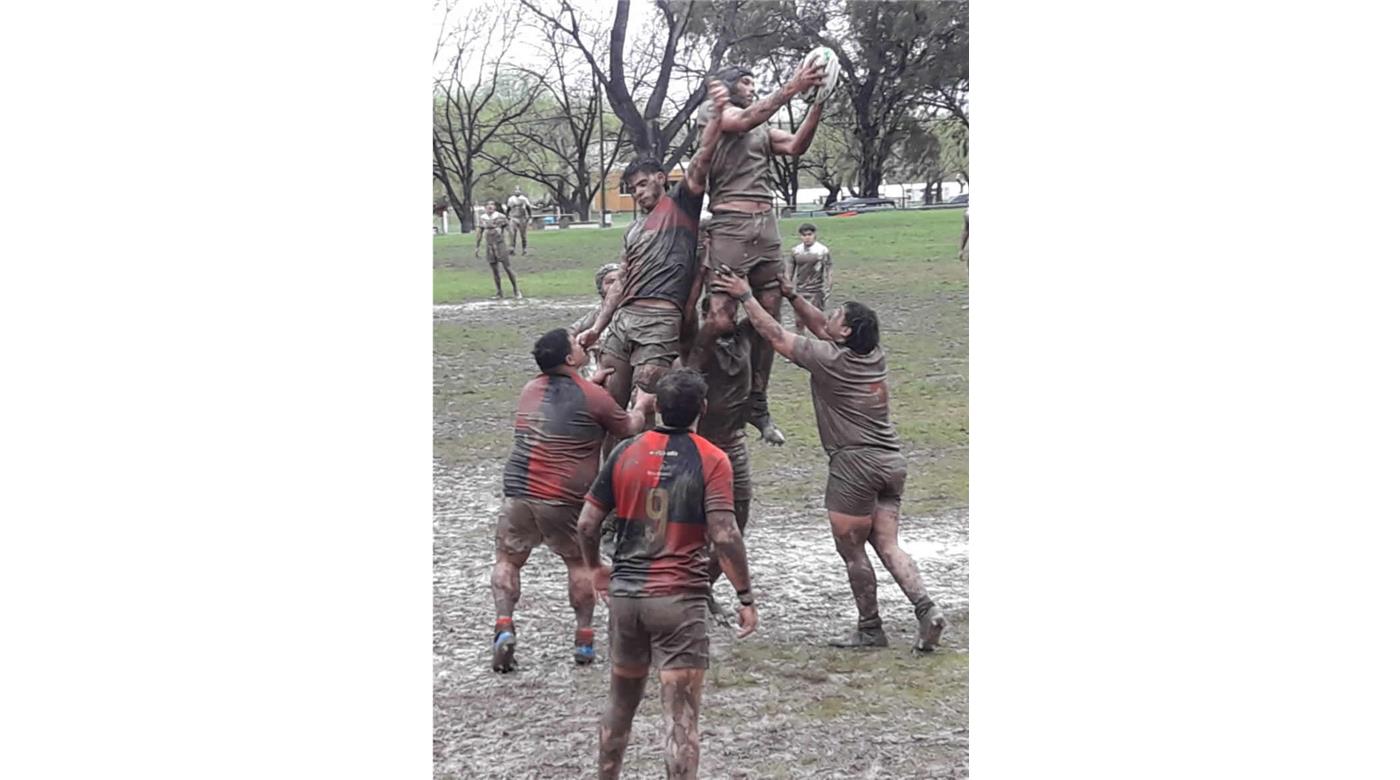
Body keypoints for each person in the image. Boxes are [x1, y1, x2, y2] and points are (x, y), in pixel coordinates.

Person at [711, 270, 947, 651]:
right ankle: (926, 608)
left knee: (853, 551)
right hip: (891, 463)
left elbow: (774, 336)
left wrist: (745, 296)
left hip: (854, 466)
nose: (829, 317)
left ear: (847, 333)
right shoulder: (873, 356)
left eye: (836, 314)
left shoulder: (829, 361)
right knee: (888, 545)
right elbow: (821, 327)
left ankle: (870, 627)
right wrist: (792, 296)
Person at [577, 368, 757, 780]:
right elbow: (726, 534)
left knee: (619, 704)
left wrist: (596, 570)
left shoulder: (626, 451)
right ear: (703, 409)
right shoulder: (712, 459)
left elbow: (587, 524)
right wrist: (745, 596)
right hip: (678, 601)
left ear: (656, 406)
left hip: (626, 597)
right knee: (680, 719)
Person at [490, 329, 655, 672]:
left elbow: (564, 402)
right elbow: (628, 428)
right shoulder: (592, 397)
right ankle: (584, 640)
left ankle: (504, 626)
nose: (584, 344)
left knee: (508, 559)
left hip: (518, 490)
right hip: (562, 497)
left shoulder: (529, 390)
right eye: (579, 345)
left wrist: (590, 385)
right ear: (569, 360)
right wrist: (642, 402)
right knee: (578, 563)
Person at [575, 80, 728, 438]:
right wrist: (599, 325)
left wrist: (717, 116)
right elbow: (621, 282)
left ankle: (648, 475)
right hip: (624, 318)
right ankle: (611, 483)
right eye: (633, 189)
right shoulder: (632, 230)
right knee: (611, 407)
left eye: (644, 183)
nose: (639, 193)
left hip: (660, 319)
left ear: (661, 178)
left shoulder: (680, 207)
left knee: (647, 404)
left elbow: (702, 160)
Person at [690, 60, 828, 448]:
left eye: (755, 82)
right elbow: (741, 121)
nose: (752, 87)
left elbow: (797, 145)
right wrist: (794, 86)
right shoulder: (714, 112)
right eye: (746, 82)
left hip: (766, 225)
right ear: (731, 87)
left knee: (768, 313)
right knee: (720, 318)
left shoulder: (763, 126)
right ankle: (693, 373)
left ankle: (758, 402)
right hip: (730, 224)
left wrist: (817, 103)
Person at [691, 295, 754, 621]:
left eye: (734, 309)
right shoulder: (698, 344)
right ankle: (694, 591)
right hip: (700, 447)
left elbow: (766, 317)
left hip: (734, 443)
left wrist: (746, 293)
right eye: (721, 309)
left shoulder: (744, 337)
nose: (730, 315)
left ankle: (704, 586)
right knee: (697, 527)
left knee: (737, 522)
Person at [568, 263, 622, 379]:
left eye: (620, 281)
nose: (615, 287)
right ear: (600, 287)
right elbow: (568, 338)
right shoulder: (592, 318)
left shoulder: (636, 316)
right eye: (610, 282)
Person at [785, 223, 833, 334]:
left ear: (814, 235)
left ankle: (823, 345)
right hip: (800, 291)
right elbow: (789, 270)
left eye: (809, 234)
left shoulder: (822, 250)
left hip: (816, 291)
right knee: (799, 321)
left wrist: (829, 285)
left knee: (817, 322)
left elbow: (828, 269)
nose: (807, 237)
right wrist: (788, 285)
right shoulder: (796, 251)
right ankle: (801, 345)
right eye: (804, 235)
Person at [475, 200, 521, 299]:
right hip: (489, 246)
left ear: (495, 207)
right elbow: (479, 233)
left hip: (500, 244)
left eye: (492, 205)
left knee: (507, 268)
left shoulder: (501, 217)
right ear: (485, 207)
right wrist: (477, 247)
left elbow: (510, 231)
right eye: (488, 205)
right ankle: (499, 292)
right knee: (494, 270)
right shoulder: (482, 218)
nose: (490, 207)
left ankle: (516, 291)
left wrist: (511, 244)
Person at [506, 186, 533, 255]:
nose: (517, 191)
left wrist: (530, 217)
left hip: (522, 218)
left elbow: (528, 208)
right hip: (513, 217)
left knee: (523, 234)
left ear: (520, 191)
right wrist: (507, 216)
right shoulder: (511, 199)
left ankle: (524, 249)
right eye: (516, 190)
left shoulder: (524, 199)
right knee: (512, 234)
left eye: (518, 190)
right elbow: (508, 208)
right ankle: (512, 249)